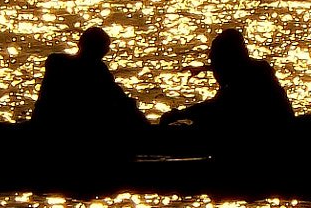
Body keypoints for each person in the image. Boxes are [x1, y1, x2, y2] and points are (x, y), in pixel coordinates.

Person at [161, 27, 295, 152]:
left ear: (228, 62)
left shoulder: (249, 82)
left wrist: (179, 115)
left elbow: (216, 108)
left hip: (269, 145)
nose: (214, 72)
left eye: (216, 63)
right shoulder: (251, 74)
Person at [28, 27, 148, 160]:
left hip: (44, 131)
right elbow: (121, 102)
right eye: (105, 48)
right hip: (76, 138)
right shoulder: (96, 70)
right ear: (102, 50)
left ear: (80, 44)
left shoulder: (55, 63)